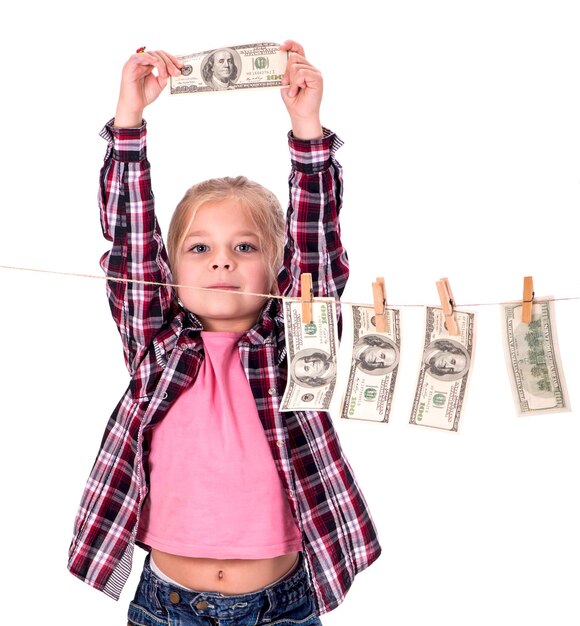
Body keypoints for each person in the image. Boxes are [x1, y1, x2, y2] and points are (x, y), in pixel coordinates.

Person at [67, 41, 381, 625]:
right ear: (171, 269)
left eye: (244, 247)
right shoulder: (157, 348)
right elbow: (131, 250)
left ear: (276, 266)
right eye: (199, 248)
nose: (221, 262)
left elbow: (316, 252)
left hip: (281, 606)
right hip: (167, 605)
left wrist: (307, 131)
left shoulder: (290, 347)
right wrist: (130, 123)